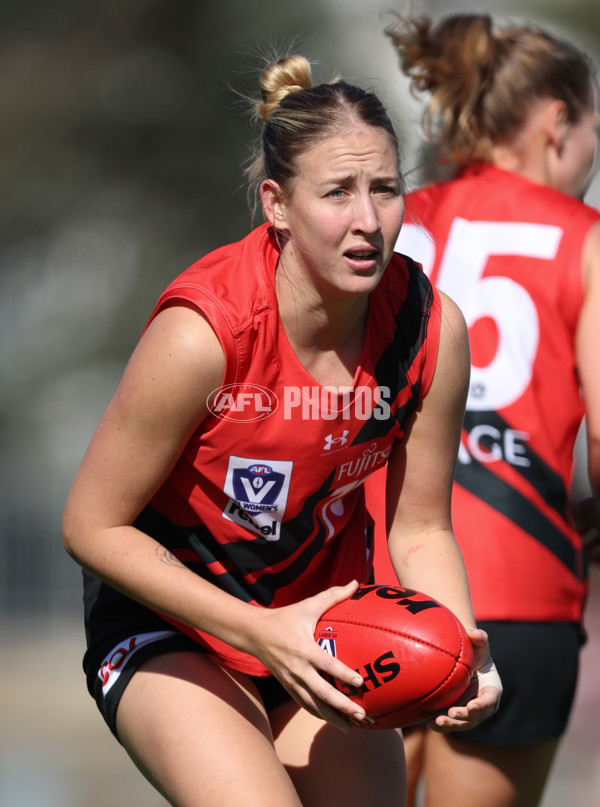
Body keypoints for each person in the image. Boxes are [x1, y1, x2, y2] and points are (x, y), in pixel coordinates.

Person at [62, 53, 501, 807]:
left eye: (385, 190)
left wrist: (461, 650)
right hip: (177, 630)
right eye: (337, 193)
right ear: (277, 204)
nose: (368, 220)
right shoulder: (205, 332)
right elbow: (90, 525)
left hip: (328, 631)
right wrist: (260, 631)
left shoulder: (431, 329)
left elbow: (422, 526)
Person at [369, 11, 600, 807]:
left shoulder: (387, 225)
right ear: (559, 122)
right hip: (519, 596)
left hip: (365, 588)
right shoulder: (587, 239)